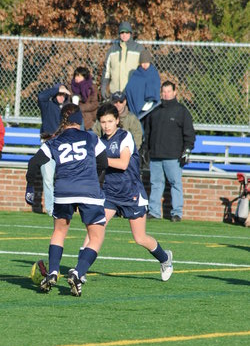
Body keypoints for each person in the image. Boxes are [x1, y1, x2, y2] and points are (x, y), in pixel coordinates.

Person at [25, 103, 109, 297]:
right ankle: (78, 272)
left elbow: (34, 163)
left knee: (59, 231)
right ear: (79, 120)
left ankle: (53, 271)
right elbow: (103, 163)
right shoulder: (91, 137)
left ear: (62, 120)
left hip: (64, 191)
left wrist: (30, 188)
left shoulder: (54, 141)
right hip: (89, 190)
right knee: (96, 237)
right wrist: (93, 180)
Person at [83, 103, 173, 281]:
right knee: (95, 229)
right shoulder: (100, 142)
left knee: (140, 238)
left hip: (131, 193)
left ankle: (165, 258)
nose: (107, 125)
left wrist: (99, 160)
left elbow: (123, 164)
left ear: (117, 120)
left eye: (110, 121)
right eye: (103, 122)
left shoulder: (125, 137)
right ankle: (81, 270)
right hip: (109, 194)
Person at [144, 80, 196, 221]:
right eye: (164, 92)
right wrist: (146, 150)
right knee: (156, 184)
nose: (166, 94)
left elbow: (189, 134)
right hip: (156, 156)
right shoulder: (154, 112)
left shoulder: (182, 111)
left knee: (175, 184)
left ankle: (176, 213)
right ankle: (154, 212)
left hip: (173, 157)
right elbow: (148, 133)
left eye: (168, 91)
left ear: (174, 92)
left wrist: (187, 150)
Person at [37, 83, 72, 215]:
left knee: (64, 178)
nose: (61, 97)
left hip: (63, 147)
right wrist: (57, 89)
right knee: (48, 179)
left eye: (63, 95)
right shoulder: (47, 105)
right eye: (59, 94)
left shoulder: (68, 109)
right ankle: (51, 209)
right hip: (48, 145)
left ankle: (65, 207)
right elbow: (41, 97)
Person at [100, 21, 143, 100]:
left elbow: (145, 70)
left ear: (130, 33)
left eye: (126, 32)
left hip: (133, 92)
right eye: (122, 32)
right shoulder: (112, 50)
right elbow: (106, 71)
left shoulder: (139, 49)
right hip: (115, 92)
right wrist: (103, 86)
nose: (124, 35)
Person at [125, 48, 161, 119]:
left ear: (150, 62)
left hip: (149, 106)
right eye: (142, 62)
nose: (144, 65)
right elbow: (130, 87)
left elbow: (154, 88)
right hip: (135, 105)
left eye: (146, 62)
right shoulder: (136, 73)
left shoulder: (153, 73)